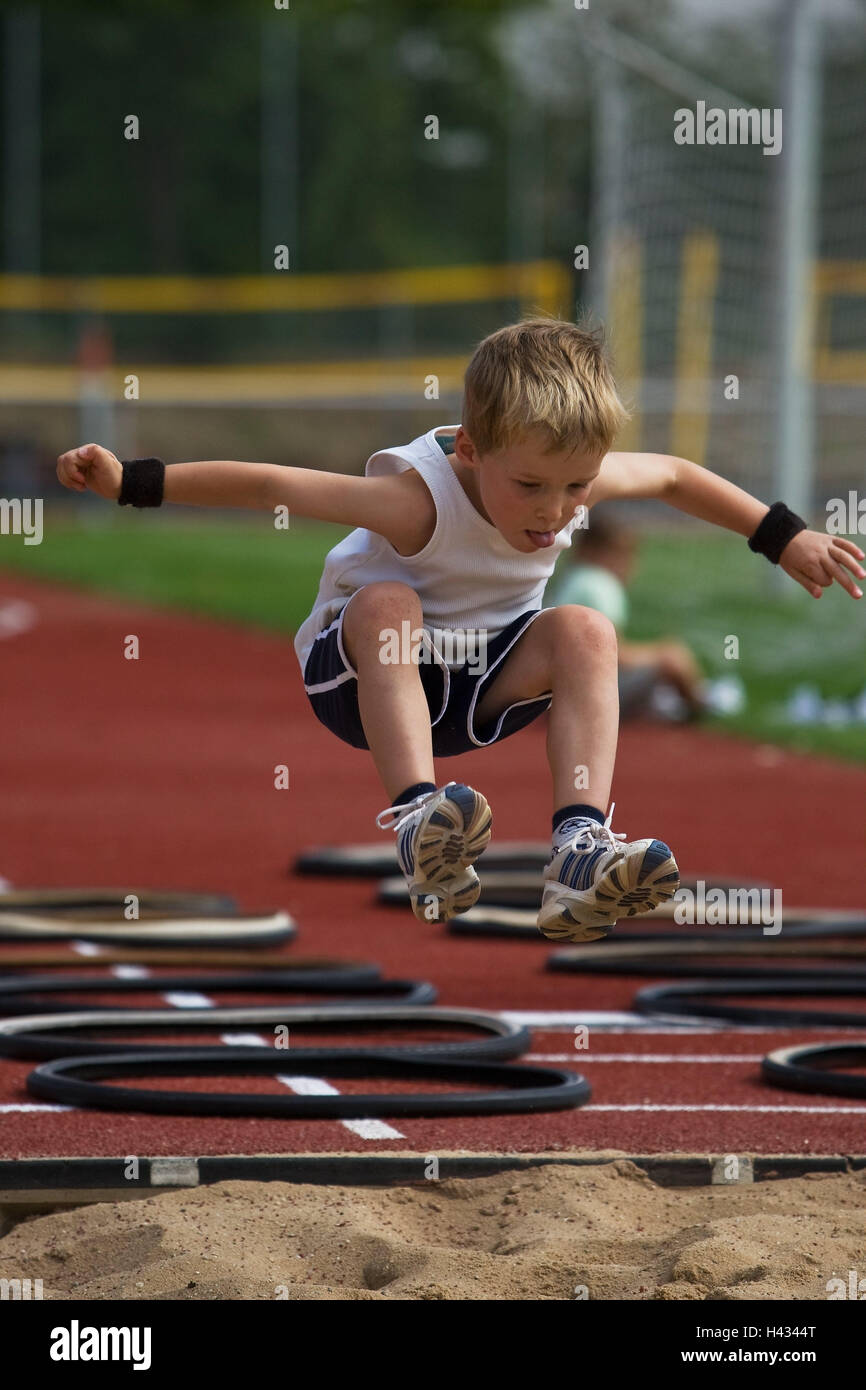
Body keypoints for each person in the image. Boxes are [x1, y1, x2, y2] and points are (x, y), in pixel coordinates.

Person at [56, 317, 865, 944]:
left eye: (577, 487)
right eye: (532, 487)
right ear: (473, 452)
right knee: (388, 603)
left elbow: (676, 476)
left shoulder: (566, 479)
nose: (555, 512)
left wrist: (783, 533)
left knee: (585, 629)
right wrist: (133, 481)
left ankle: (578, 853)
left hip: (479, 685)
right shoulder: (417, 499)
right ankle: (418, 821)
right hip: (360, 679)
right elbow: (275, 483)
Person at [545, 512, 709, 720]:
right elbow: (615, 656)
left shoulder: (570, 578)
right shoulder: (601, 584)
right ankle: (701, 707)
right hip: (578, 693)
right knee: (673, 658)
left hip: (550, 687)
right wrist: (662, 654)